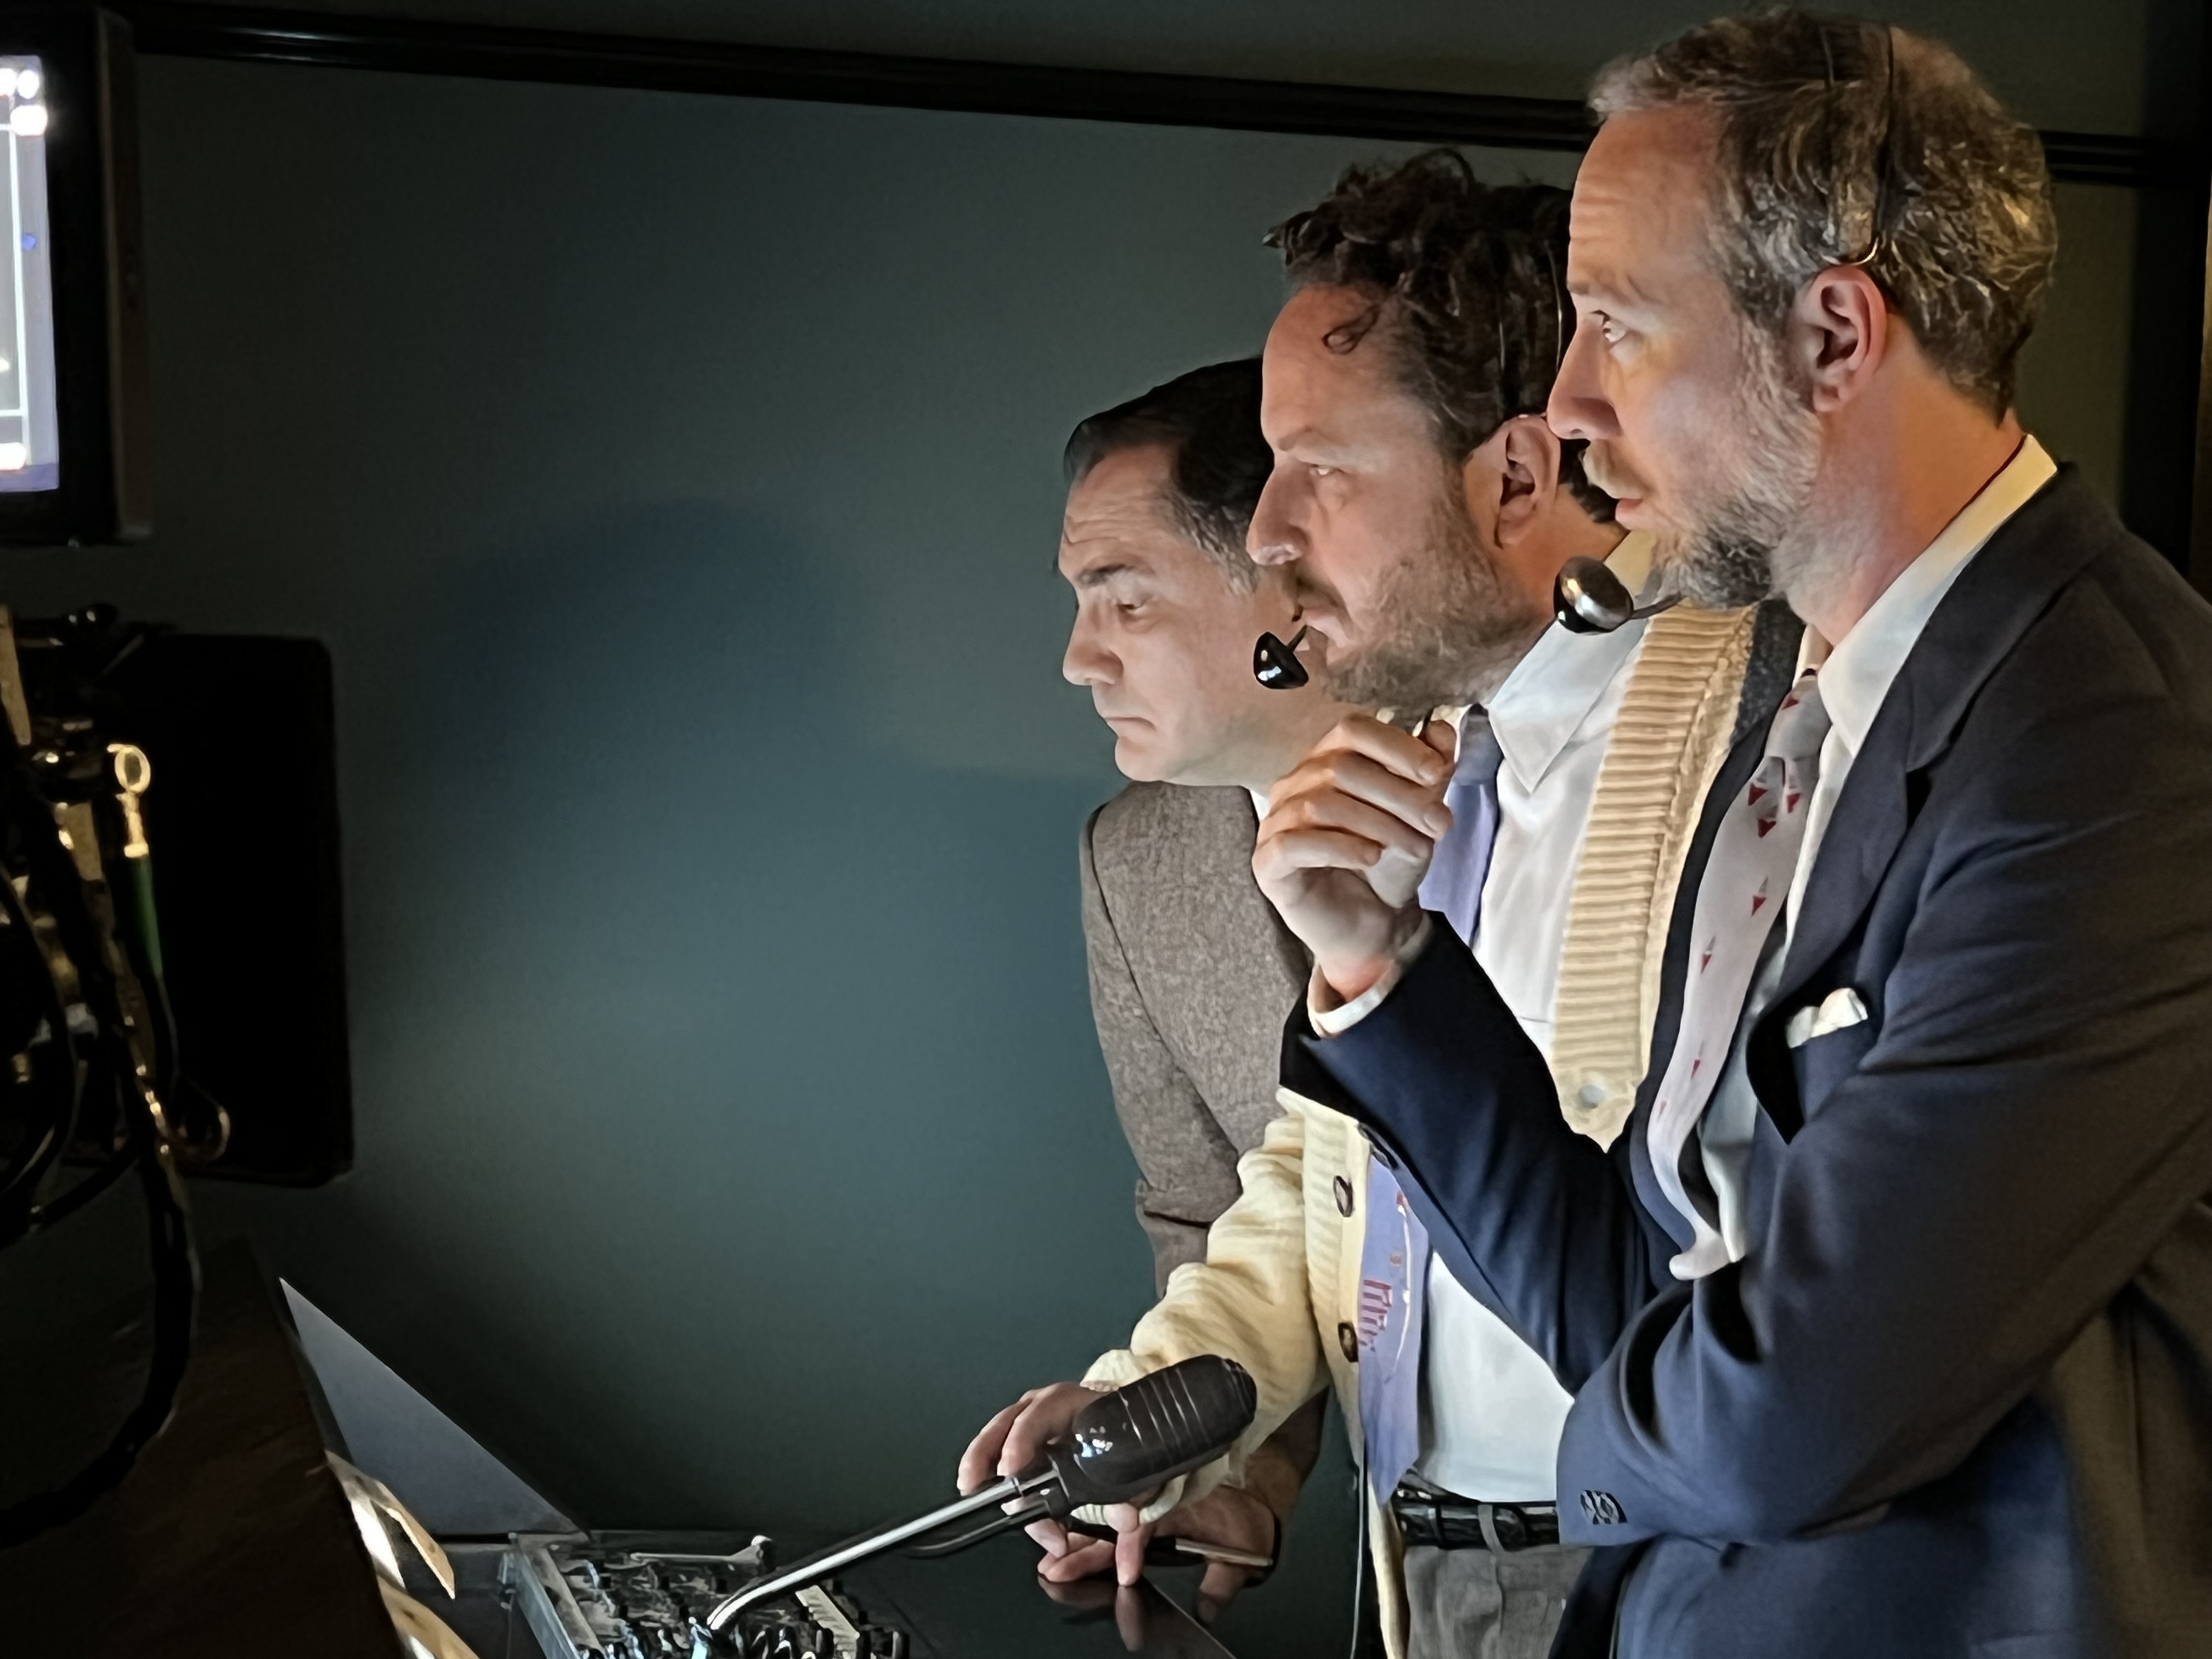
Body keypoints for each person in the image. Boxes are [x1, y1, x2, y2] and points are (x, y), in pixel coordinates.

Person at [1257, 15, 2212, 1659]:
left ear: (1835, 335)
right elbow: (1648, 1270)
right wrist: (1384, 964)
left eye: (1616, 328)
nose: (1564, 409)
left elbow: (1797, 1406)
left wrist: (1575, 1471)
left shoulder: (2114, 741)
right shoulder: (1820, 708)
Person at [967, 156, 1792, 1659]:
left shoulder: (1767, 748)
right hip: (1431, 1573)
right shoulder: (1452, 754)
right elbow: (1339, 1173)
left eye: (1320, 469)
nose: (1271, 534)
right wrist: (1170, 1416)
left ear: (1525, 476)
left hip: (1671, 1572)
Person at [1058, 359, 1355, 1596]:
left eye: (1123, 605)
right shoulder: (1135, 861)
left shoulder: (1512, 793)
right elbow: (1206, 1215)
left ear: (1288, 576)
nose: (1080, 659)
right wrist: (1241, 1477)